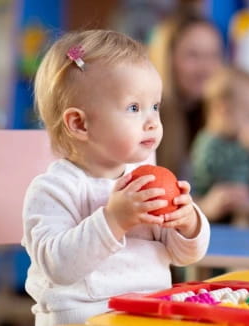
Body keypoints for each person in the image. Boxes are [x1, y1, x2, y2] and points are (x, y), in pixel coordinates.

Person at [22, 30, 210, 326]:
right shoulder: (52, 190)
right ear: (80, 124)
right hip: (83, 318)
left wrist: (188, 223)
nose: (152, 121)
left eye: (155, 106)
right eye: (134, 108)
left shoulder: (144, 183)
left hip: (151, 314)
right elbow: (58, 266)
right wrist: (114, 219)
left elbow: (184, 257)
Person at [148, 12, 224, 179]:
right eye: (193, 55)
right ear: (167, 60)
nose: (206, 68)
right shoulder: (148, 119)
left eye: (213, 55)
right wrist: (206, 204)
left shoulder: (223, 115)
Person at [190, 66, 249, 226]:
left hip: (237, 204)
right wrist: (244, 148)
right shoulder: (208, 141)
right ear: (223, 109)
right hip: (214, 213)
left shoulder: (234, 140)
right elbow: (217, 167)